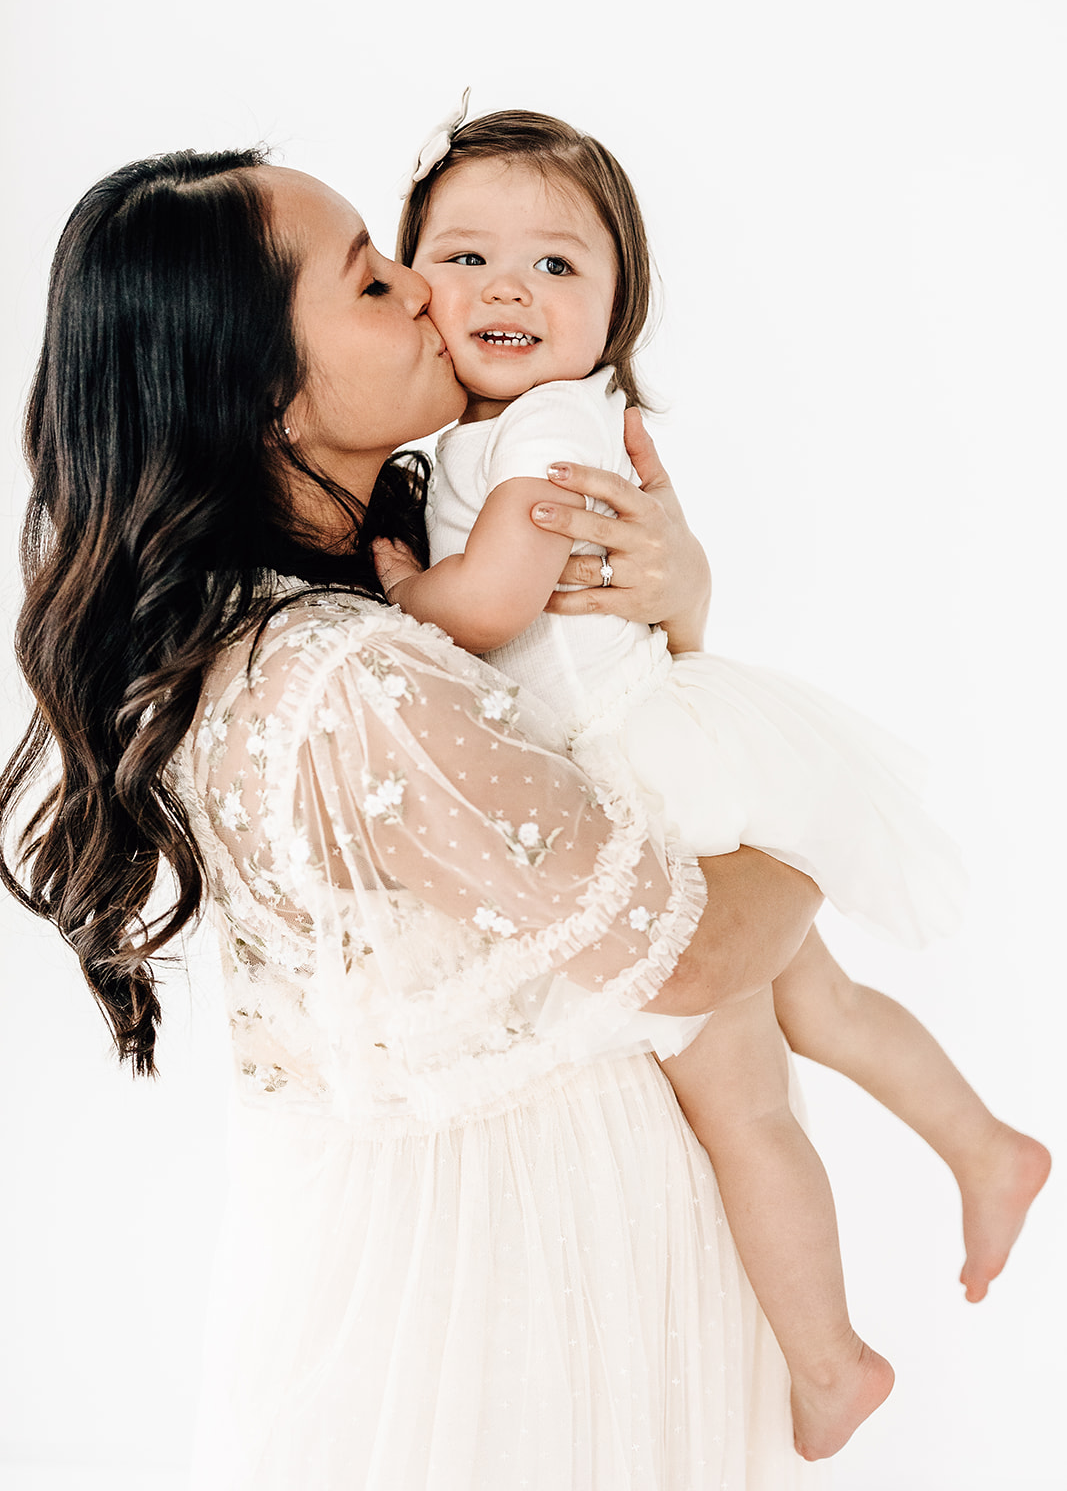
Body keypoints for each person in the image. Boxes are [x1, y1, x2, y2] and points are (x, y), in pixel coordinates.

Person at [0, 147, 839, 1489]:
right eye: (373, 281)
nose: (427, 295)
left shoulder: (317, 629)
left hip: (474, 1271)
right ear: (263, 386)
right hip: (502, 1309)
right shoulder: (351, 679)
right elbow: (679, 946)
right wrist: (823, 809)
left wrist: (674, 612)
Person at [379, 106, 1052, 1459]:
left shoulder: (548, 428)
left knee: (739, 1095)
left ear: (621, 307)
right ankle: (984, 1145)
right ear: (410, 289)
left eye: (559, 267)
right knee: (823, 1000)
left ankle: (829, 1360)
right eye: (465, 257)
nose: (510, 288)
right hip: (666, 736)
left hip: (641, 773)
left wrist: (406, 588)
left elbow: (500, 592)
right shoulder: (488, 431)